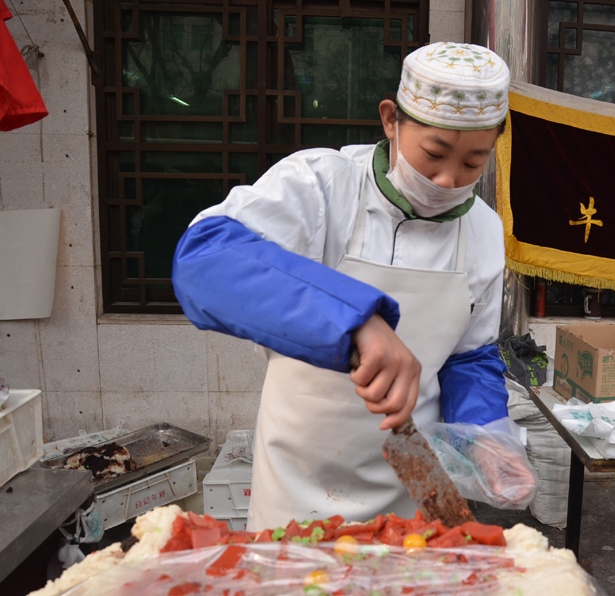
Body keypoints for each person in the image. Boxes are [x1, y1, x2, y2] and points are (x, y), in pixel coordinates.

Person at [173, 42, 529, 530]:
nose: (448, 180)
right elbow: (204, 259)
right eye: (435, 153)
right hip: (301, 477)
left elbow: (468, 356)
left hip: (415, 471)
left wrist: (487, 437)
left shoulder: (485, 232)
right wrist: (357, 321)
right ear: (391, 120)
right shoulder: (322, 186)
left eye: (473, 164)